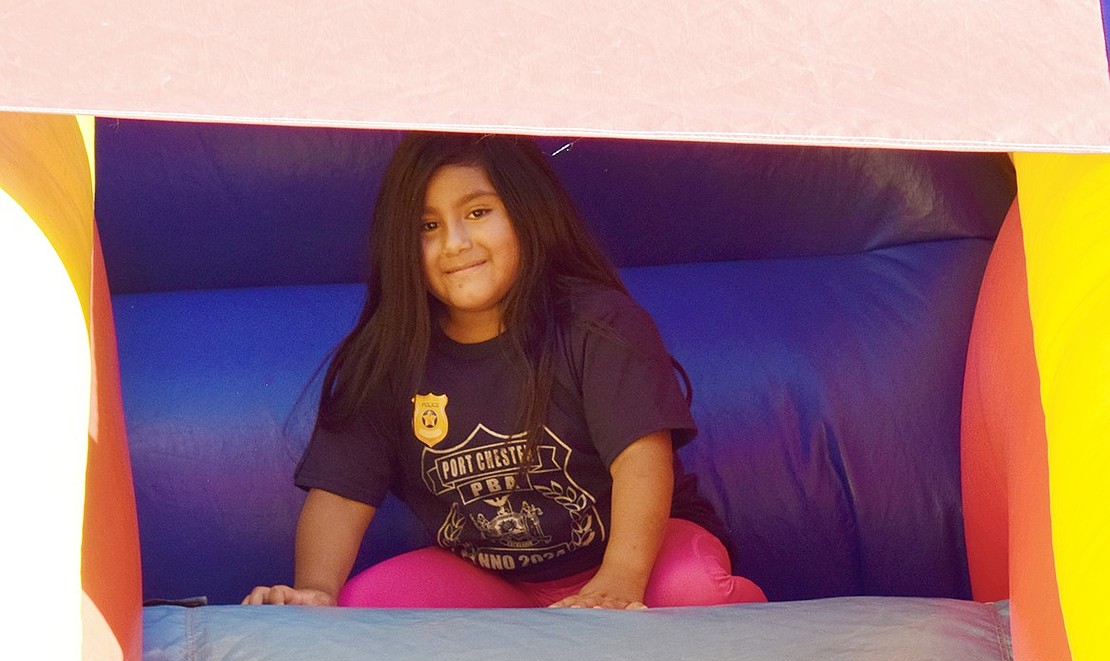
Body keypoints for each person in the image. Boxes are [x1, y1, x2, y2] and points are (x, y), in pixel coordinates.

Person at [244, 132, 765, 610]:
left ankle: (741, 624)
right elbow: (340, 494)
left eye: (477, 213)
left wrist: (620, 579)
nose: (455, 244)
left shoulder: (598, 324)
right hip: (497, 586)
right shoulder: (389, 360)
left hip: (638, 557)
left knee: (691, 591)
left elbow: (640, 458)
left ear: (526, 212)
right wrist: (315, 591)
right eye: (428, 226)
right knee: (364, 607)